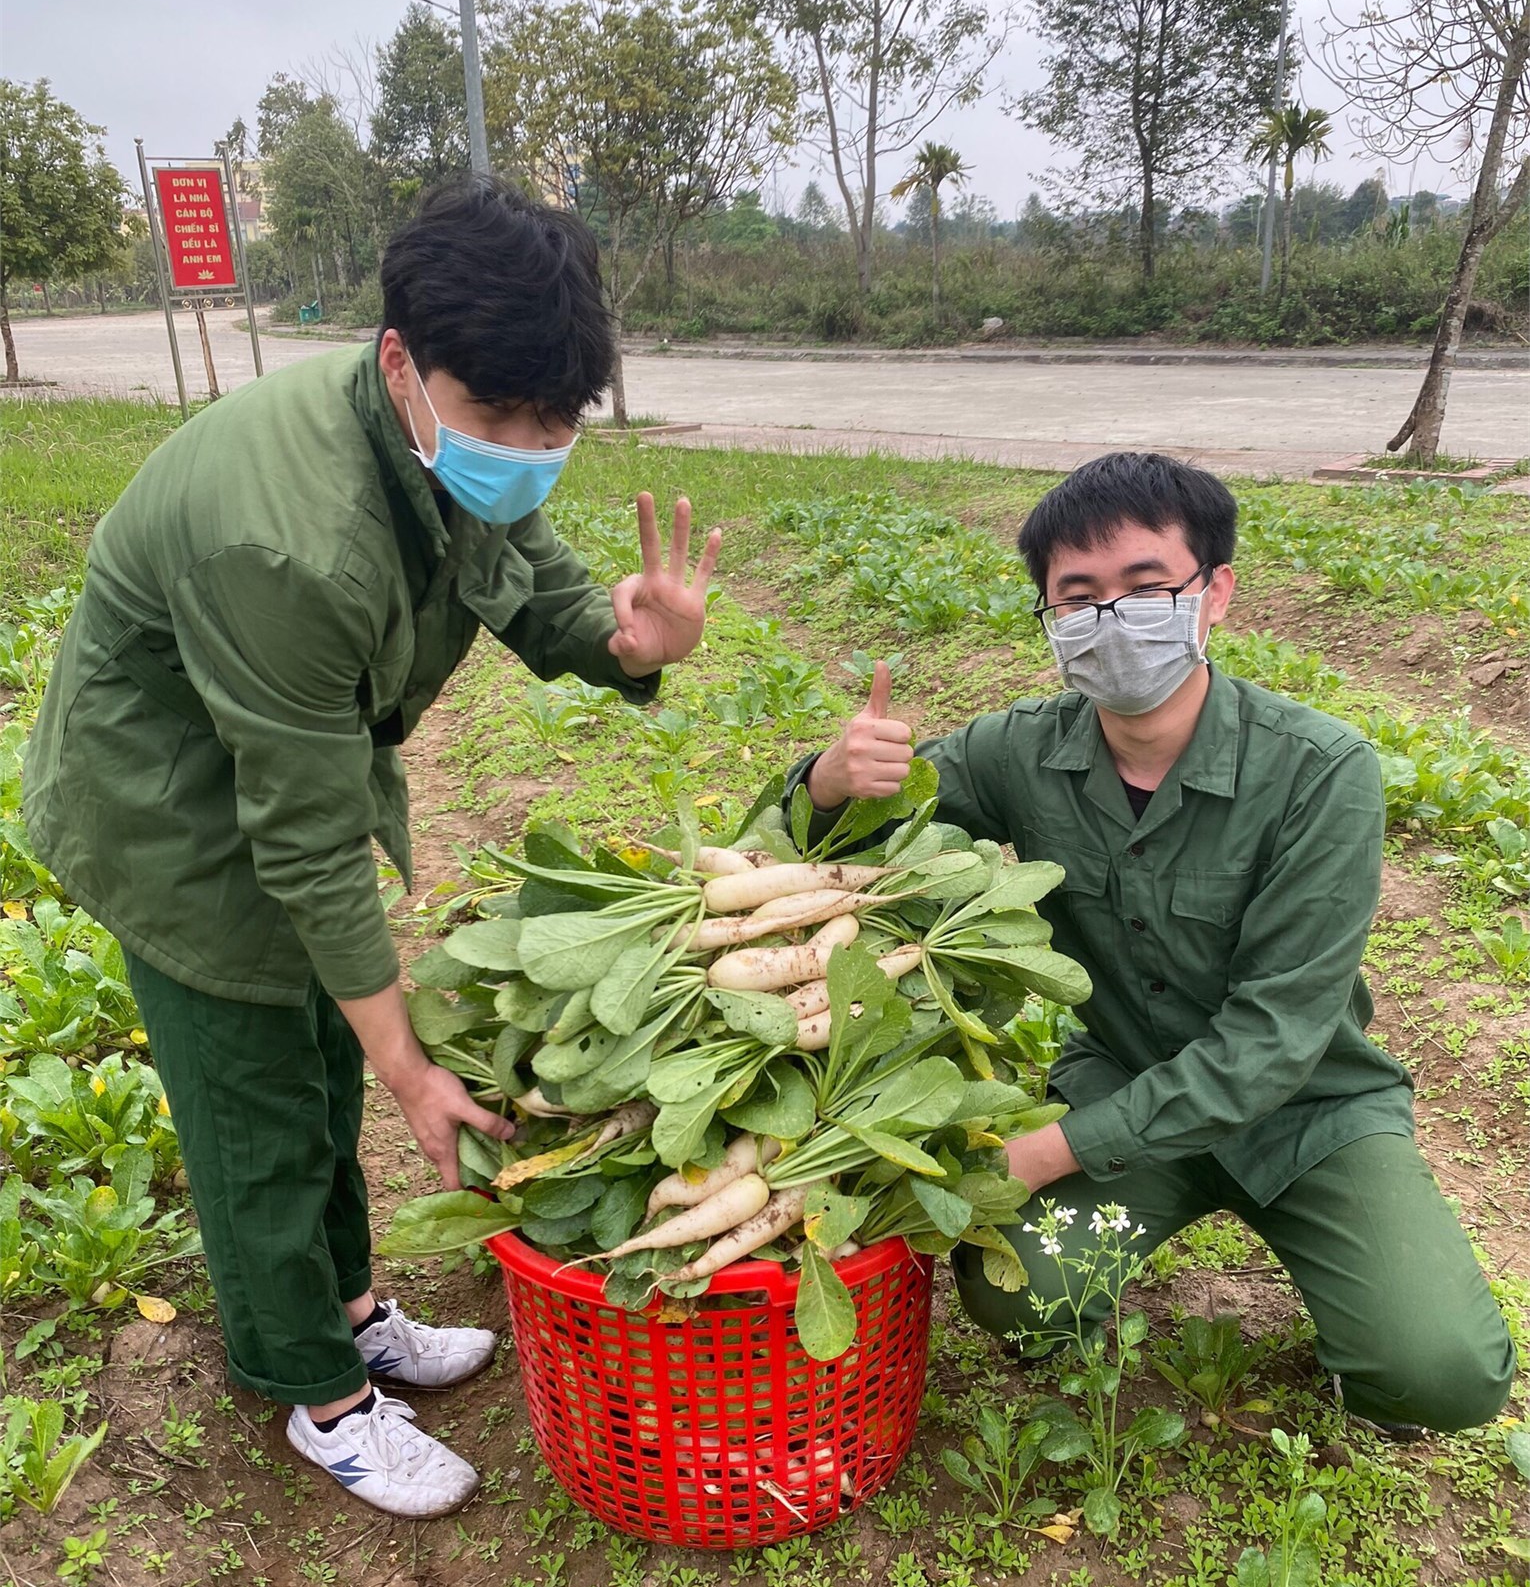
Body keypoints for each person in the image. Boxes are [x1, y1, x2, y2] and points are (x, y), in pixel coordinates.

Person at [25, 175, 722, 1516]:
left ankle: (349, 1308)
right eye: (499, 416)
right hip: (172, 803)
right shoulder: (289, 536)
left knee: (322, 1063)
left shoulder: (438, 440)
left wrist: (622, 645)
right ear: (400, 362)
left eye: (556, 420)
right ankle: (319, 1393)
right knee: (257, 1100)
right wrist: (409, 1066)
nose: (528, 446)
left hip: (281, 767)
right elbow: (304, 835)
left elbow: (520, 560)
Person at [790, 451, 1512, 1435]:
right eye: (1077, 597)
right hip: (1127, 1075)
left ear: (1214, 594)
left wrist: (1047, 1152)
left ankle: (1376, 1324)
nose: (1110, 617)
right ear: (1051, 621)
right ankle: (1125, 1221)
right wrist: (828, 781)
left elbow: (1272, 1042)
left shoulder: (1320, 770)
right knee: (1019, 1303)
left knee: (1440, 1376)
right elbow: (848, 831)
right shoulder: (1019, 750)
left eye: (1144, 586)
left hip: (1307, 1110)